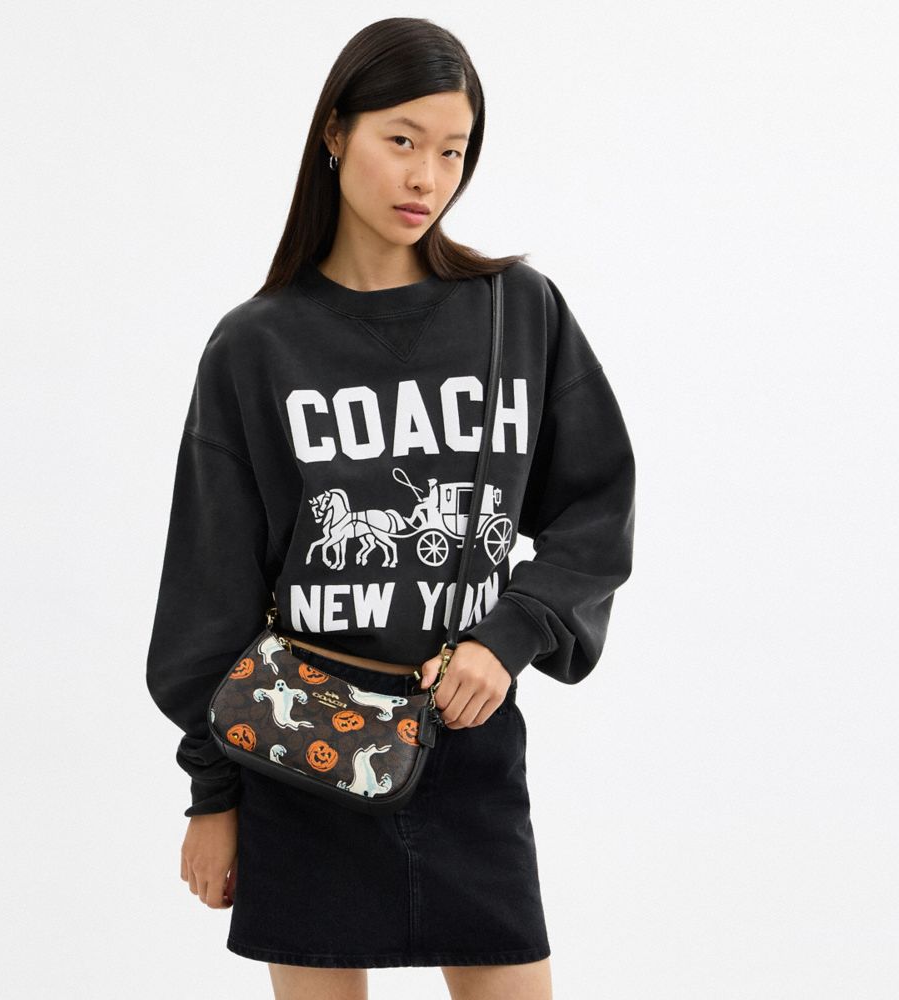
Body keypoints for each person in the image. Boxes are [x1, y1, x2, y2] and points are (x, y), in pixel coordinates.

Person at [146, 16, 636, 1000]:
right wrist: (212, 793)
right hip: (299, 744)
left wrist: (508, 635)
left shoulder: (517, 311)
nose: (426, 177)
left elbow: (595, 508)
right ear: (336, 132)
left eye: (452, 151)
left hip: (466, 743)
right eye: (402, 140)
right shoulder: (255, 347)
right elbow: (211, 586)